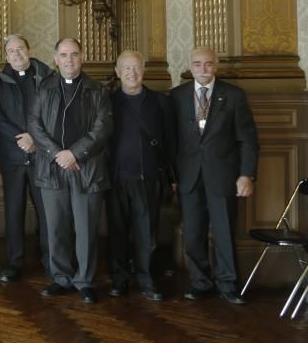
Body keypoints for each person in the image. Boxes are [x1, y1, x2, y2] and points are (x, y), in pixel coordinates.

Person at [28, 38, 112, 304]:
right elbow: (34, 124)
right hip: (52, 169)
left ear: (82, 57)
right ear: (55, 58)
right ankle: (61, 278)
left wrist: (73, 153)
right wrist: (57, 154)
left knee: (86, 228)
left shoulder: (98, 90)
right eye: (64, 55)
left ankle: (84, 280)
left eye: (74, 54)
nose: (69, 60)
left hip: (86, 168)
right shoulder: (45, 88)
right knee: (56, 228)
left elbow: (102, 130)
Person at [171, 47, 258, 305]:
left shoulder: (234, 96)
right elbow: (171, 141)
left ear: (216, 65)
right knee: (194, 233)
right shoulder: (176, 96)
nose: (203, 69)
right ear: (190, 66)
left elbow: (248, 140)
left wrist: (246, 174)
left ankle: (228, 284)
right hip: (188, 176)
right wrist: (172, 177)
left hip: (223, 176)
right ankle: (200, 283)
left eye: (208, 64)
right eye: (197, 64)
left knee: (224, 232)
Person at [106, 50, 175, 302]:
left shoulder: (159, 102)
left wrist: (171, 175)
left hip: (148, 178)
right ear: (117, 72)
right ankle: (120, 278)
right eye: (126, 68)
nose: (132, 73)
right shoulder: (108, 101)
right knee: (117, 231)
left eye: (136, 68)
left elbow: (169, 141)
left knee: (147, 233)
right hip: (115, 178)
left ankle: (147, 280)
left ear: (143, 70)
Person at [0, 34, 52, 283]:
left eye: (20, 49)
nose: (16, 54)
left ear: (29, 49)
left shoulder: (47, 78)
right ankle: (14, 262)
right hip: (13, 157)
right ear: (6, 56)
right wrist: (21, 138)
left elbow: (52, 113)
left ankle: (50, 260)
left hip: (42, 156)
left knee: (46, 213)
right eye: (11, 51)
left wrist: (35, 139)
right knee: (13, 212)